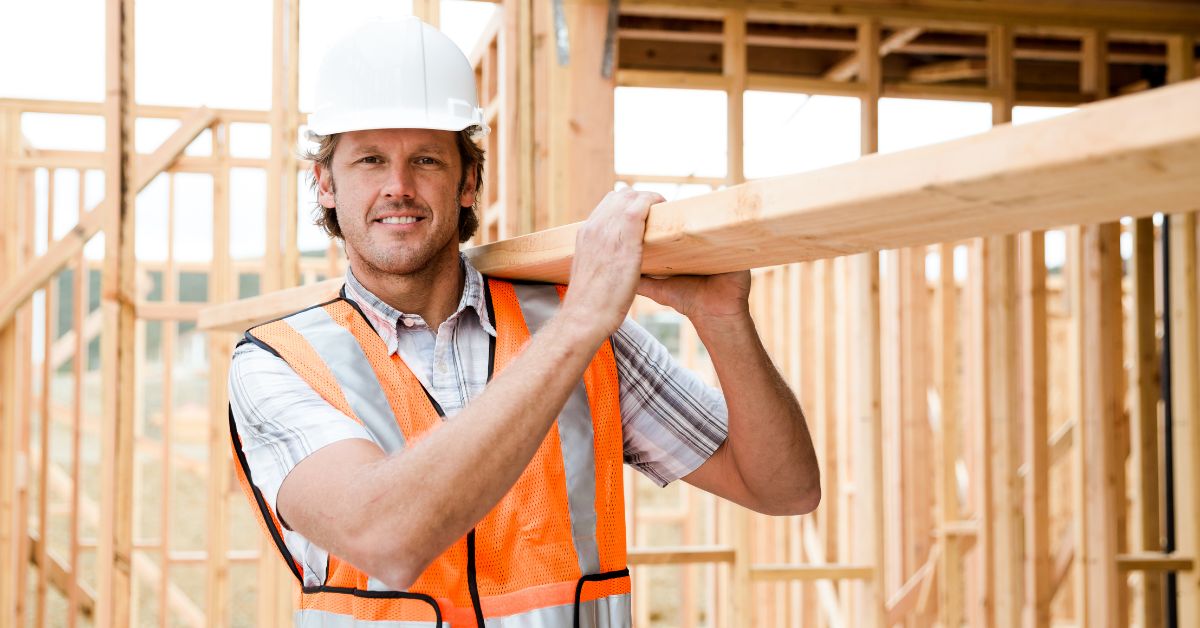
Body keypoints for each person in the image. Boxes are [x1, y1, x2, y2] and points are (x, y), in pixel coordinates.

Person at [228, 16, 819, 628]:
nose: (398, 187)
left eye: (427, 159)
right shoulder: (281, 362)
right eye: (370, 160)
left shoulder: (577, 331)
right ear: (325, 183)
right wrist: (581, 321)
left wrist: (723, 319)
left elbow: (784, 489)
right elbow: (388, 541)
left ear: (469, 181)